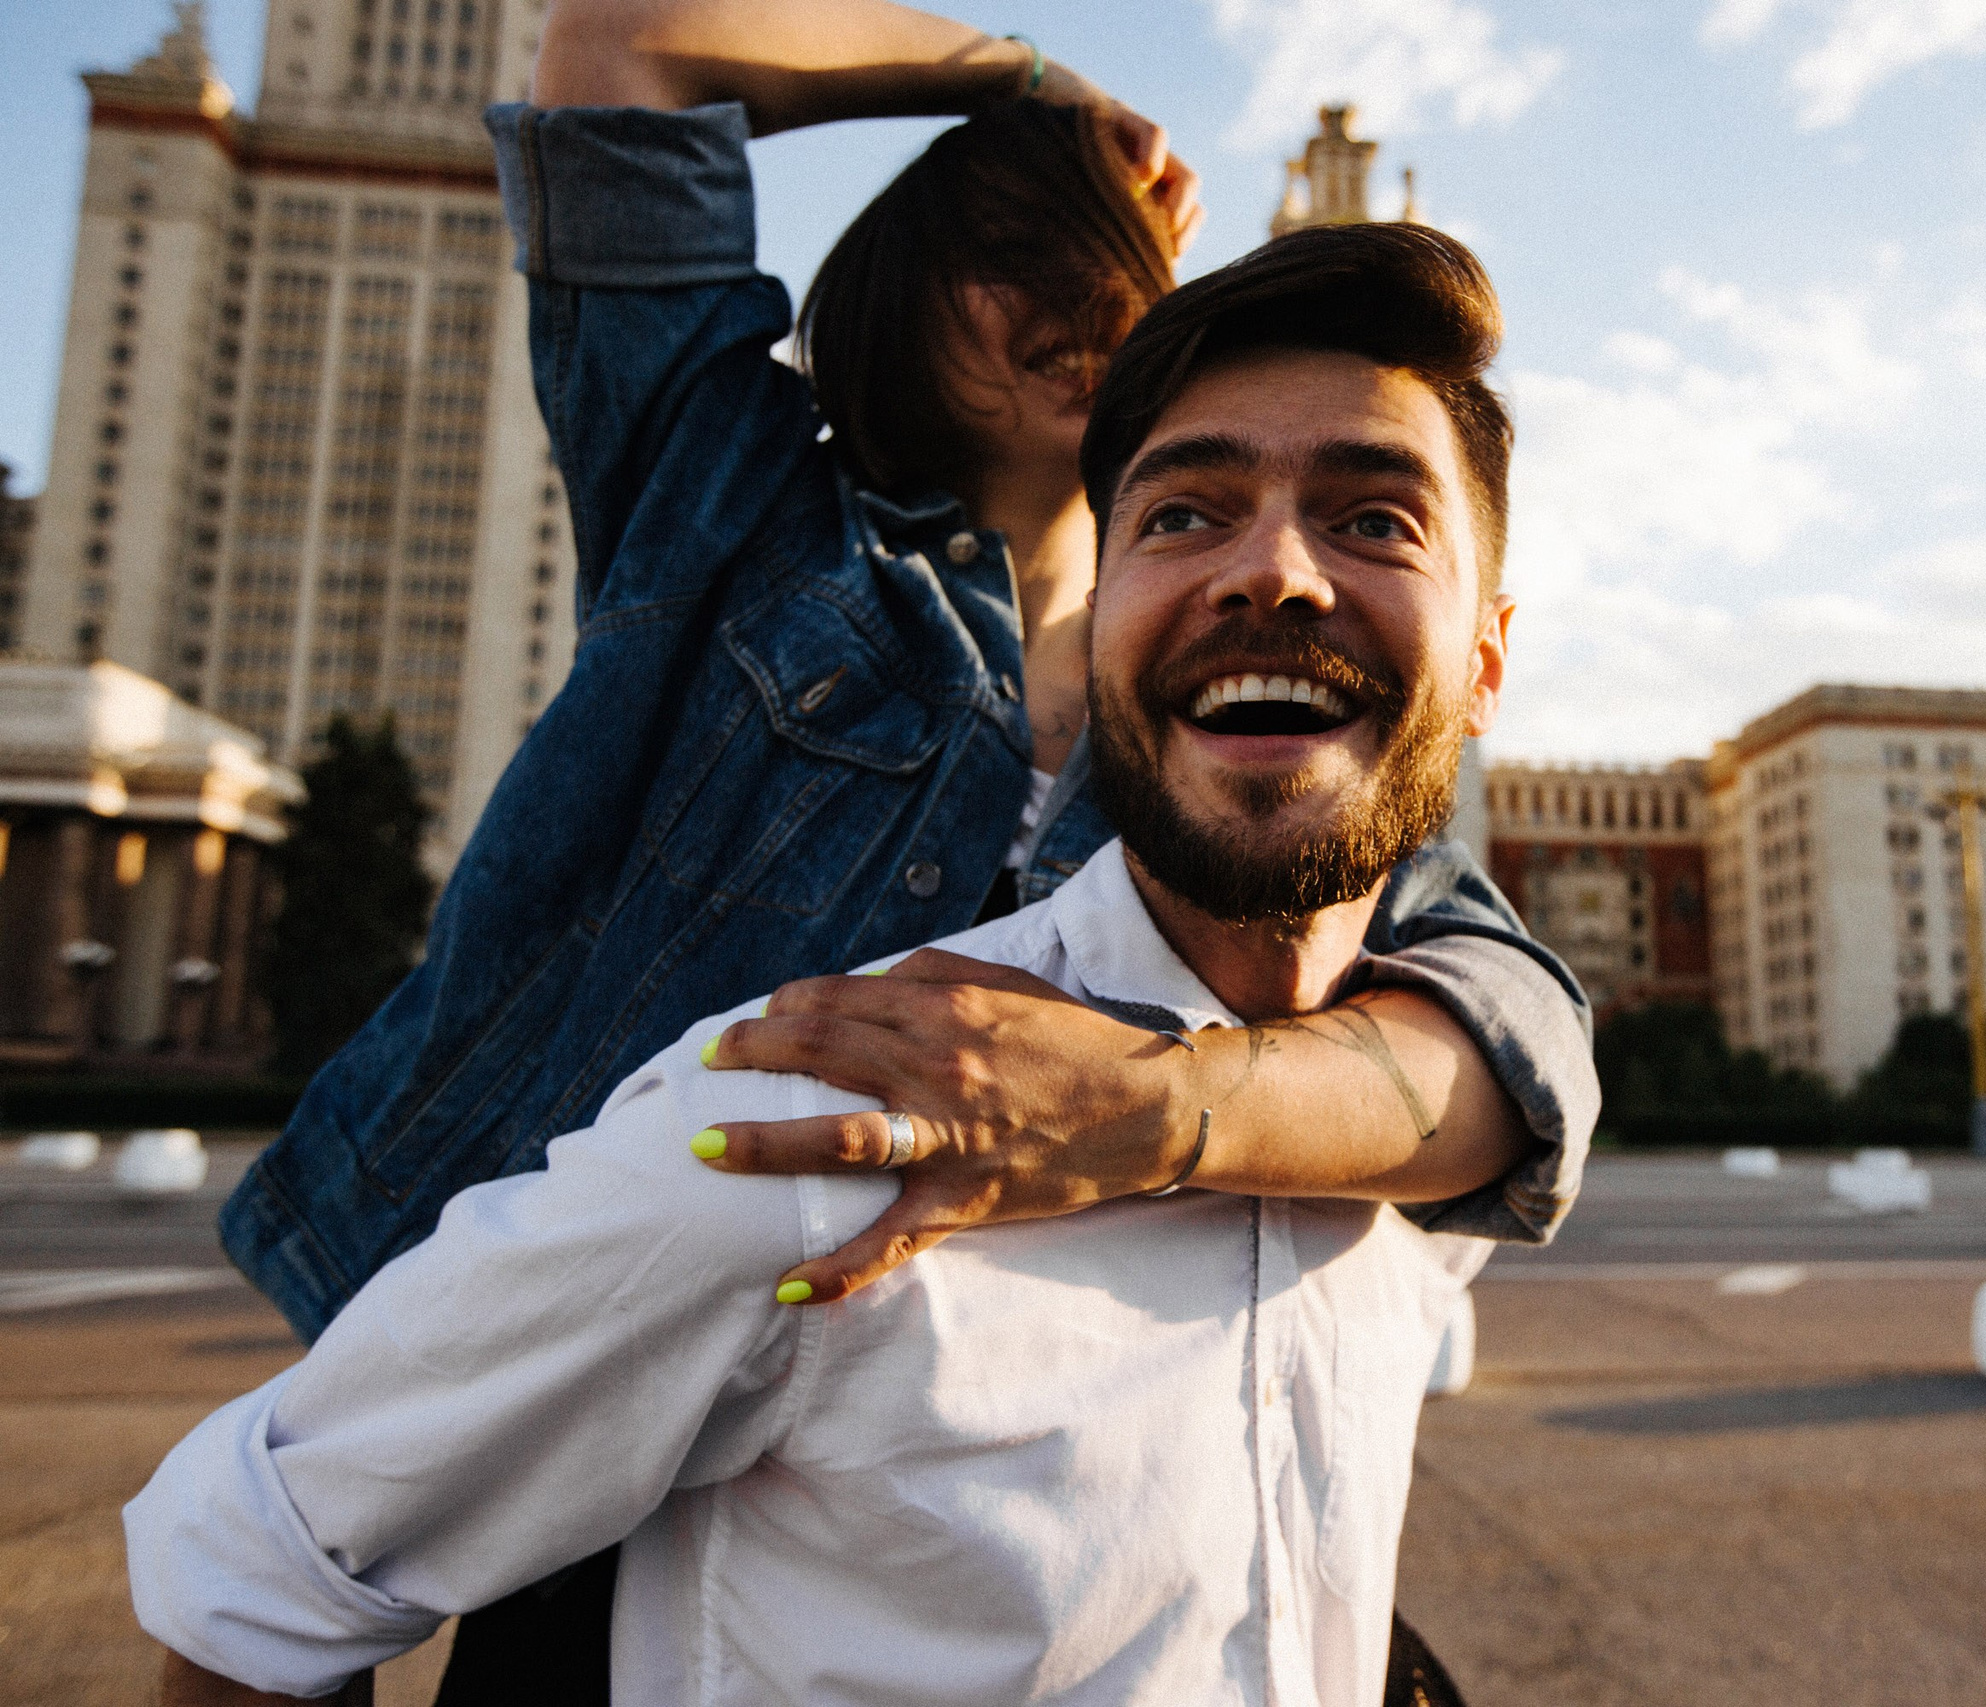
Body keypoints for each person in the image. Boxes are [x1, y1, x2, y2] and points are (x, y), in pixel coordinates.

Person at [137, 218, 1533, 1706]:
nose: (1276, 572)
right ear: (1096, 627)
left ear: (1487, 666)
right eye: (1183, 516)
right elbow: (257, 1577)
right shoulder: (813, 1118)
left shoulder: (1416, 1173)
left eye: (1376, 520)